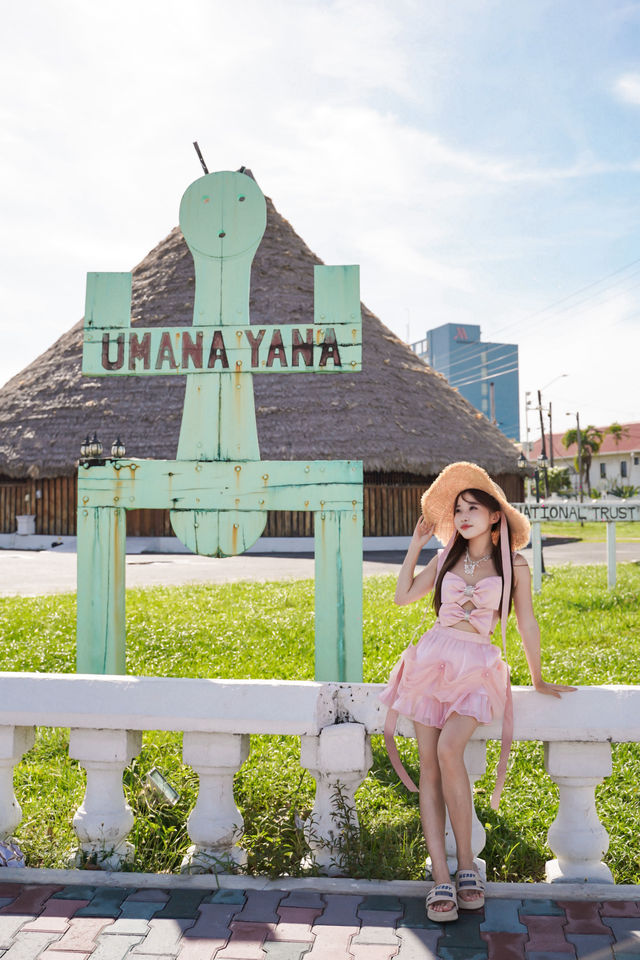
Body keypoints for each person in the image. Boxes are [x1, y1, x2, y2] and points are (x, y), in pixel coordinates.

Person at [379, 462, 574, 922]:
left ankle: (468, 866)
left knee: (450, 748)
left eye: (474, 508)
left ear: (494, 517)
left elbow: (526, 622)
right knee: (429, 766)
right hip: (430, 660)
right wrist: (415, 546)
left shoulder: (514, 565)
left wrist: (538, 677)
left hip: (478, 664)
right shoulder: (445, 556)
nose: (463, 516)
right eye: (458, 509)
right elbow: (402, 596)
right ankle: (442, 877)